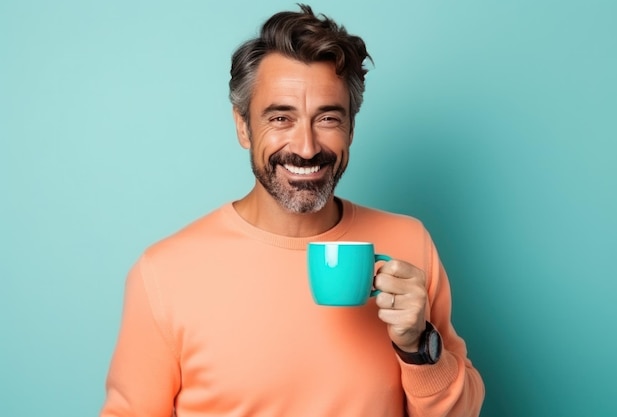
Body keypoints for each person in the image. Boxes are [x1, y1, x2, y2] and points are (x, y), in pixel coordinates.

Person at [100, 4, 485, 417]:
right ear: (243, 126)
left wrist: (418, 347)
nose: (306, 147)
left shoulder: (409, 245)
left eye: (328, 118)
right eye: (281, 117)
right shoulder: (163, 273)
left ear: (351, 129)